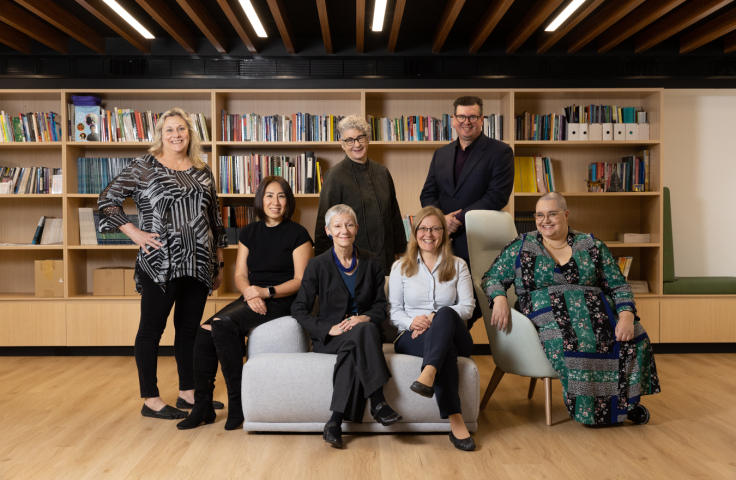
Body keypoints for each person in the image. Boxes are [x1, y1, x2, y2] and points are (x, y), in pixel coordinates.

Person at [481, 192, 661, 426]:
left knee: (635, 335)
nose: (545, 220)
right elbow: (491, 277)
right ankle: (593, 412)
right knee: (575, 340)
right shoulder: (522, 245)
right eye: (540, 215)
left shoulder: (592, 246)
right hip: (545, 311)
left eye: (552, 214)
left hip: (596, 309)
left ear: (566, 214)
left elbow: (618, 285)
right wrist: (499, 299)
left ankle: (626, 405)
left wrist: (626, 315)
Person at [98, 108, 227, 420]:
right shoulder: (144, 167)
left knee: (187, 330)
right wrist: (134, 233)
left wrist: (219, 261)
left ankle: (187, 392)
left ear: (190, 133)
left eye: (181, 129)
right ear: (160, 134)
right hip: (160, 263)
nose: (176, 135)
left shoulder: (202, 169)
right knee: (151, 331)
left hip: (198, 262)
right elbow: (106, 201)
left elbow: (214, 218)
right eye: (169, 130)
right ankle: (151, 399)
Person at [177, 176, 313, 430]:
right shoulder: (249, 232)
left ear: (288, 200)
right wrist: (251, 292)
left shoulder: (298, 234)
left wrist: (266, 292)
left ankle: (237, 404)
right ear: (260, 199)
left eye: (281, 196)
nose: (275, 202)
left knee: (223, 324)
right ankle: (203, 406)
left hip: (284, 298)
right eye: (269, 196)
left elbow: (301, 280)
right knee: (204, 331)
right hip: (253, 295)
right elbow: (239, 275)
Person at [292, 204, 402, 449]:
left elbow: (379, 306)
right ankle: (378, 402)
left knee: (360, 336)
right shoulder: (317, 265)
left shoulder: (371, 262)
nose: (344, 230)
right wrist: (325, 328)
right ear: (328, 231)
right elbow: (299, 309)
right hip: (332, 336)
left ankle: (334, 420)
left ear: (357, 228)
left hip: (364, 332)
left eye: (349, 224)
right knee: (362, 335)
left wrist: (363, 318)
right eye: (338, 226)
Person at [420, 96, 514, 327]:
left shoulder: (500, 152)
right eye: (461, 116)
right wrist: (442, 220)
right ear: (453, 120)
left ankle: (455, 353)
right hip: (443, 244)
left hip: (477, 242)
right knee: (444, 303)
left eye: (472, 116)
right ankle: (451, 354)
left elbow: (497, 196)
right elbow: (427, 195)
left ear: (482, 119)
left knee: (473, 306)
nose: (467, 121)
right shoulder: (440, 154)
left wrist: (458, 219)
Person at [388, 206, 476, 451]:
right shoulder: (400, 267)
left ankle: (427, 373)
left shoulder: (458, 265)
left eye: (436, 228)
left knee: (446, 312)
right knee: (442, 347)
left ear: (445, 233)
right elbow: (394, 311)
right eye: (423, 228)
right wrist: (411, 322)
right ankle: (456, 420)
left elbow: (468, 307)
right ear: (415, 233)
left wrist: (434, 317)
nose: (429, 234)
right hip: (411, 336)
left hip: (456, 335)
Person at [314, 115, 407, 276]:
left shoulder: (382, 172)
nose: (356, 144)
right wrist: (325, 266)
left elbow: (394, 217)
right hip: (349, 260)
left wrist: (400, 252)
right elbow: (325, 224)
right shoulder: (334, 176)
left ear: (368, 139)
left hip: (385, 257)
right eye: (349, 140)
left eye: (360, 138)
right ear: (342, 144)